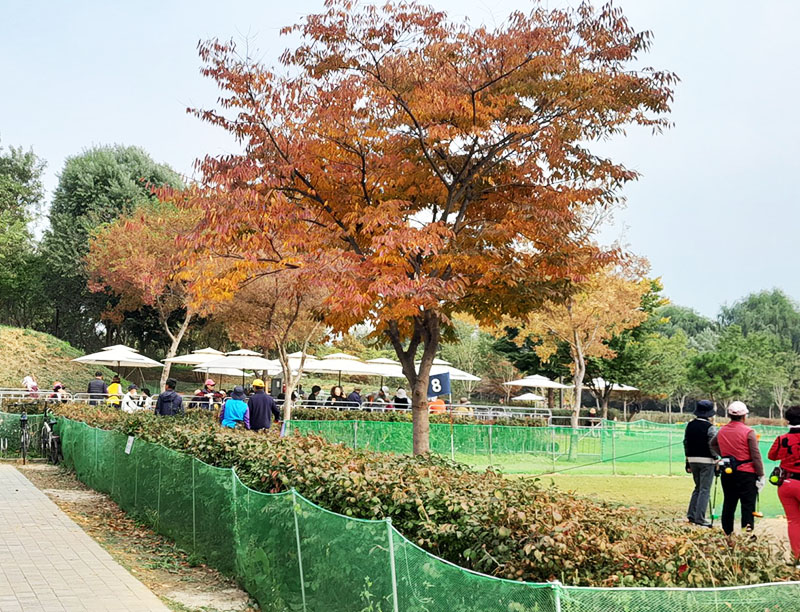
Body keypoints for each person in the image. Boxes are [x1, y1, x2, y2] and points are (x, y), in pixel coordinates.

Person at [710, 401, 765, 536]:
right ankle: (747, 534)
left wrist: (725, 455)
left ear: (729, 415)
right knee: (748, 505)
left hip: (728, 471)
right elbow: (755, 455)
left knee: (729, 502)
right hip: (747, 472)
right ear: (744, 416)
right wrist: (761, 474)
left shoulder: (722, 430)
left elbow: (713, 444)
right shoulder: (749, 432)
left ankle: (727, 533)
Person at [768, 405, 800, 565]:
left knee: (794, 522)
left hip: (787, 484)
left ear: (788, 421)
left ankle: (798, 558)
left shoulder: (782, 439)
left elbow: (772, 456)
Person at [683, 399, 718, 527]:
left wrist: (687, 461)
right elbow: (712, 444)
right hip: (707, 461)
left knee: (697, 488)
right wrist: (716, 458)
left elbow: (686, 443)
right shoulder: (710, 427)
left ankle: (691, 515)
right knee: (705, 489)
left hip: (692, 460)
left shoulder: (690, 425)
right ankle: (700, 518)